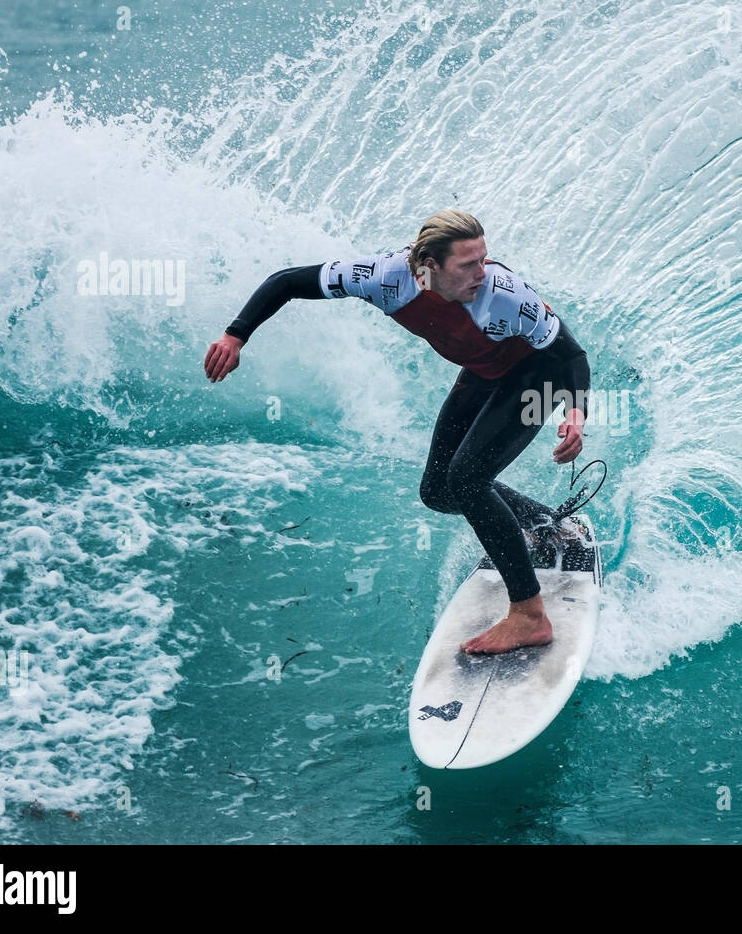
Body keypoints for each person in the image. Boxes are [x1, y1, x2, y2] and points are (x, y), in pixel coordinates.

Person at [203, 209, 591, 654]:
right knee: (440, 491)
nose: (482, 273)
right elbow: (288, 282)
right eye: (468, 265)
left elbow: (570, 355)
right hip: (485, 372)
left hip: (537, 379)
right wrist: (236, 336)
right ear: (427, 265)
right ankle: (549, 528)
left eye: (484, 259)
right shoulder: (383, 278)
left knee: (467, 479)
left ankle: (529, 616)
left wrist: (575, 412)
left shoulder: (505, 297)